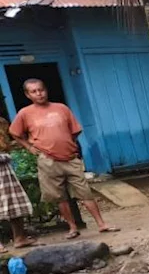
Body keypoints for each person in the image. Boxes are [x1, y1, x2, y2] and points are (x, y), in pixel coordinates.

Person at [9, 79, 116, 239]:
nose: (39, 94)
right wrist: (29, 147)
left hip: (70, 157)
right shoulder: (25, 113)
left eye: (41, 89)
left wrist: (66, 143)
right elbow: (15, 132)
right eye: (34, 91)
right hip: (47, 160)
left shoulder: (61, 108)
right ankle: (72, 227)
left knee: (84, 192)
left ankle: (102, 224)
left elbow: (75, 130)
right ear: (27, 95)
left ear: (46, 90)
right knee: (59, 196)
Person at [0, 117, 35, 251]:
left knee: (15, 206)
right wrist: (6, 157)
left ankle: (20, 238)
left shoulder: (2, 126)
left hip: (6, 176)